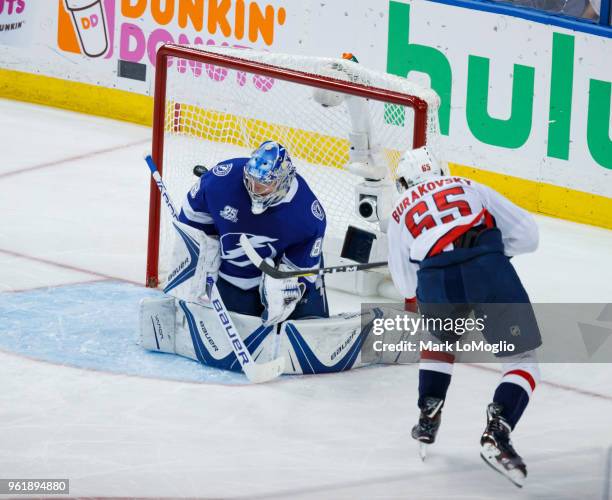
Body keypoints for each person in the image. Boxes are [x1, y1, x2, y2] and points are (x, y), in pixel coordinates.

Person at [386, 146, 541, 487]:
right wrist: (491, 255)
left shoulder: (399, 209)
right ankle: (497, 431)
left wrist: (435, 265)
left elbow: (405, 284)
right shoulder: (468, 184)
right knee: (523, 359)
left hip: (437, 279)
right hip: (486, 267)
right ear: (440, 171)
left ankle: (428, 411)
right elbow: (529, 235)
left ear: (403, 181)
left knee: (440, 337)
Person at [174, 140, 329, 326]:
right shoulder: (221, 180)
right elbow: (191, 217)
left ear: (283, 181)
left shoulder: (307, 215)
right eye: (252, 180)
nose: (255, 189)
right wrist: (200, 249)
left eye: (264, 184)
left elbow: (303, 269)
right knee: (239, 329)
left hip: (276, 276)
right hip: (234, 278)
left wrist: (286, 289)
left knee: (308, 330)